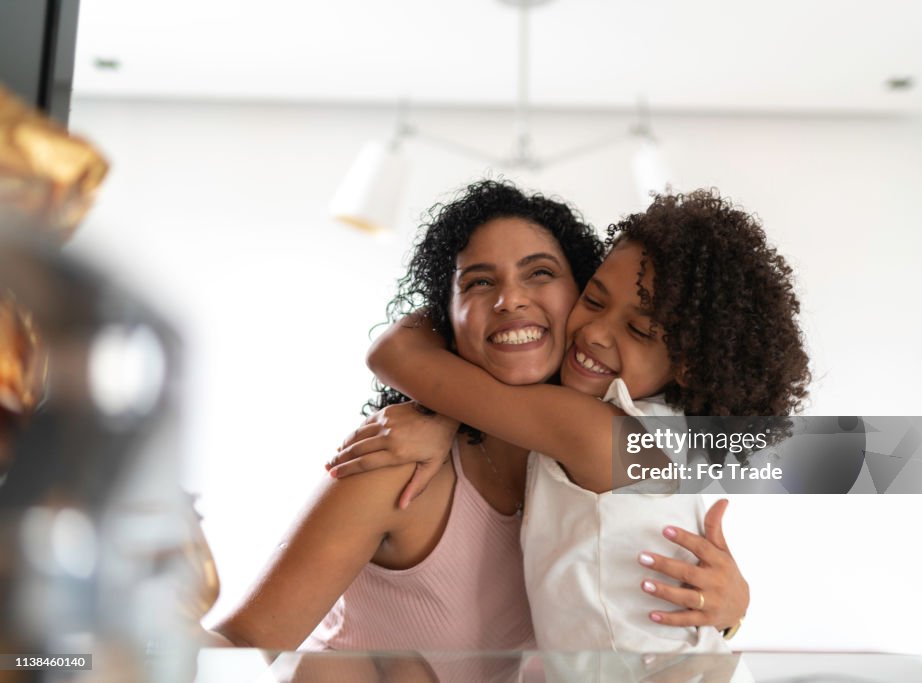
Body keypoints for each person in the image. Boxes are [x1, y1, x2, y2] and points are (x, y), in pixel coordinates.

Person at [208, 182, 750, 667]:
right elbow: (241, 648)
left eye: (540, 273)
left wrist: (731, 607)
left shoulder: (610, 449)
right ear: (446, 319)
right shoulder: (396, 467)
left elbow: (829, 453)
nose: (510, 299)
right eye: (478, 283)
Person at [349, 189, 808, 653]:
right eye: (593, 299)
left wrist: (463, 299)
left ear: (688, 362)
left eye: (637, 330)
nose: (594, 332)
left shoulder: (592, 431)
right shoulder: (679, 435)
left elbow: (392, 352)